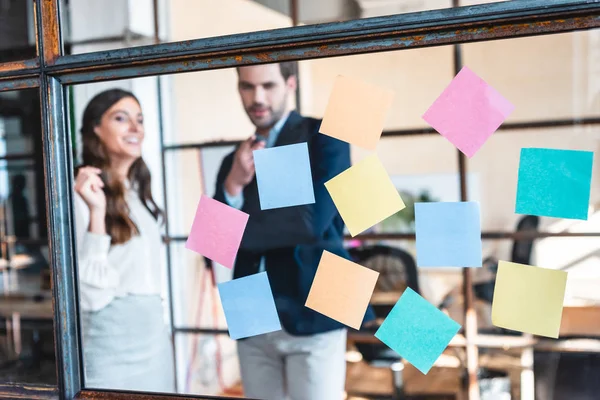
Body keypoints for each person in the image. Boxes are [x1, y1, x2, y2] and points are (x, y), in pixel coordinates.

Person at [214, 62, 375, 400]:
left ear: (290, 84)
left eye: (268, 86)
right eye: (247, 86)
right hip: (250, 313)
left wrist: (237, 228)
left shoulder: (326, 137)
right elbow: (214, 246)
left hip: (316, 306)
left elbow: (309, 224)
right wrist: (233, 184)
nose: (257, 97)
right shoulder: (232, 160)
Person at [73, 89, 175, 392]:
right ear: (95, 128)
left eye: (139, 120)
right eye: (121, 118)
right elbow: (89, 295)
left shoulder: (139, 194)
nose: (136, 128)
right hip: (110, 348)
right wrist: (96, 211)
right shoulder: (82, 192)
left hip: (155, 344)